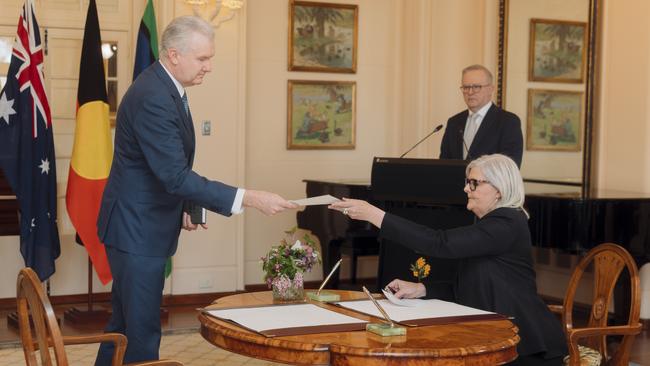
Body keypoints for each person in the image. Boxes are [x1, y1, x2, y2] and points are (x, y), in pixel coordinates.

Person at [94, 16, 297, 364]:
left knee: (124, 327)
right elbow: (173, 175)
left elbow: (165, 166)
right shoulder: (154, 96)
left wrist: (187, 203)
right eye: (203, 59)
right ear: (174, 55)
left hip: (137, 227)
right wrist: (249, 197)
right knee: (141, 336)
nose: (210, 67)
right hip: (136, 231)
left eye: (210, 58)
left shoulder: (167, 88)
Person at [329, 154, 567, 365]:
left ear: (499, 190)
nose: (466, 189)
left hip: (526, 345)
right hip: (498, 335)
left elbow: (440, 243)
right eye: (467, 182)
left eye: (474, 183)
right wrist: (422, 288)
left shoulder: (506, 223)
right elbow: (472, 284)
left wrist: (375, 215)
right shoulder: (493, 223)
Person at [440, 64, 523, 167]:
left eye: (476, 87)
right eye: (466, 87)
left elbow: (510, 168)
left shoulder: (508, 122)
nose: (470, 92)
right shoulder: (454, 122)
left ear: (491, 89)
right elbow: (444, 164)